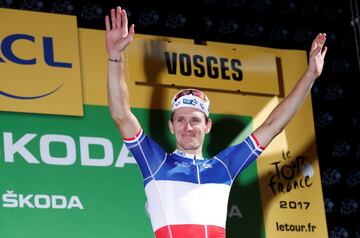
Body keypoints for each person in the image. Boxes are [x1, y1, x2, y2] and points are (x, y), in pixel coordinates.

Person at [105, 6, 327, 238]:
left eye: (195, 120)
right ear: (171, 126)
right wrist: (115, 58)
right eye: (180, 120)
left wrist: (310, 75)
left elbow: (273, 125)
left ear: (207, 126)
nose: (188, 127)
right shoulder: (156, 163)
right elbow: (121, 115)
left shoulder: (224, 167)